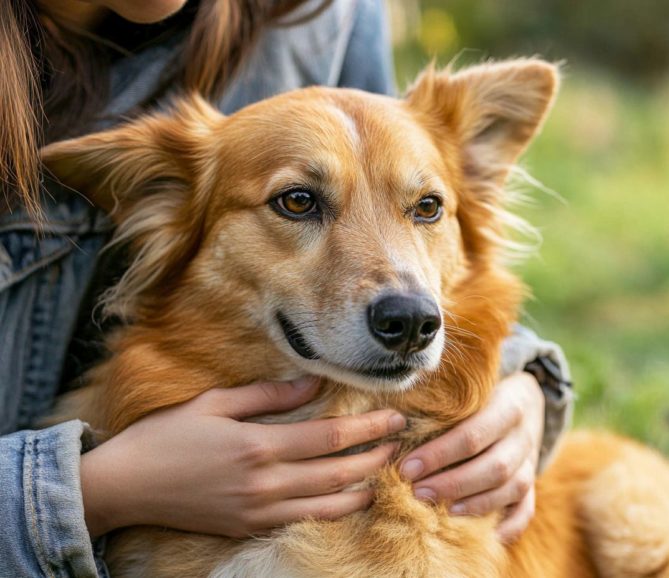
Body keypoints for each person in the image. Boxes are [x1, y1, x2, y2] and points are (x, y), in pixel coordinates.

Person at [0, 0, 574, 576]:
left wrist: (525, 386)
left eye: (424, 207)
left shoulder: (331, 12)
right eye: (298, 201)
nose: (404, 307)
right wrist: (92, 489)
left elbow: (459, 267)